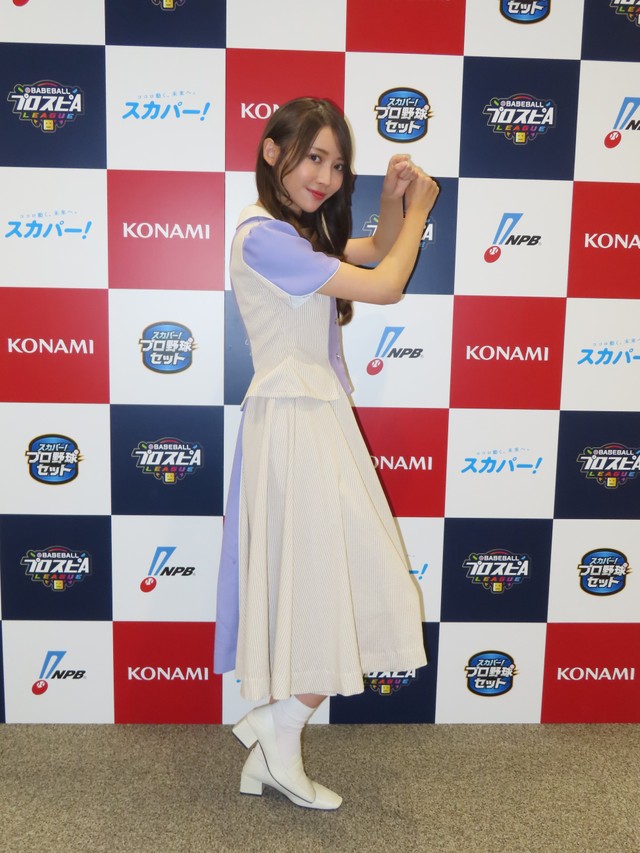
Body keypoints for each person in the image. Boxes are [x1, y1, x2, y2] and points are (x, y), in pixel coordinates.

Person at [214, 97, 440, 810]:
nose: (326, 176)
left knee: (348, 579)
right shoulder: (265, 238)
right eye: (313, 157)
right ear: (272, 151)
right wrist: (422, 210)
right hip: (296, 421)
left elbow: (372, 250)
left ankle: (274, 732)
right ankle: (277, 737)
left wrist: (394, 202)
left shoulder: (289, 235)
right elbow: (386, 283)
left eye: (338, 165)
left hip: (311, 418)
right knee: (330, 583)